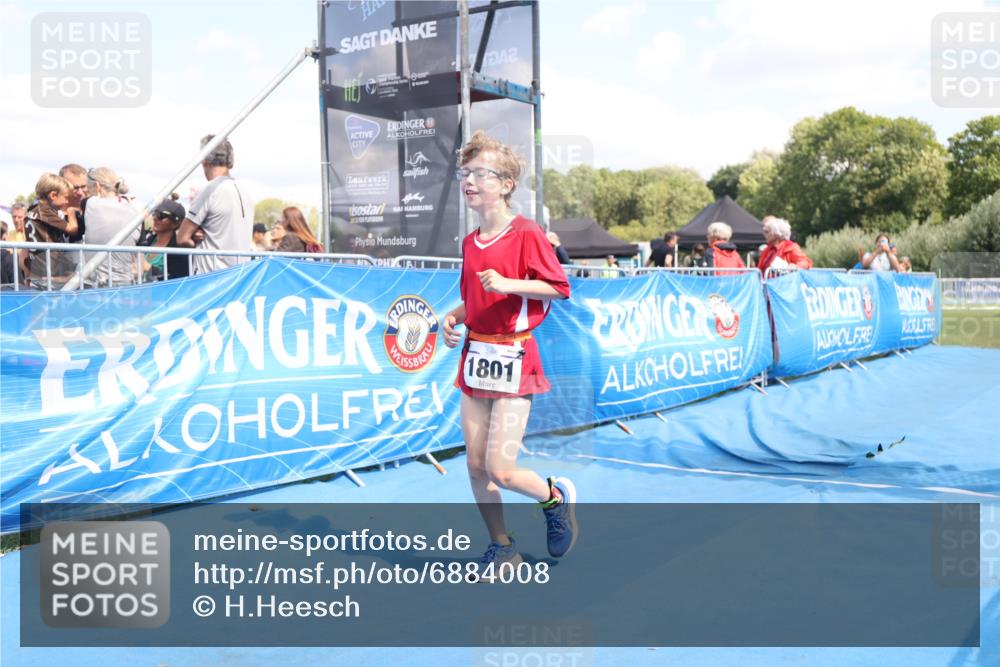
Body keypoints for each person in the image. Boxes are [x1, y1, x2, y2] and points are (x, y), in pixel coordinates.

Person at [441, 131, 576, 577]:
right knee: (476, 466)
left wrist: (510, 283)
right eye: (466, 173)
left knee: (501, 469)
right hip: (477, 358)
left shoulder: (527, 233)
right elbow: (480, 299)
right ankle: (503, 546)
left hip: (515, 360)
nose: (470, 181)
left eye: (481, 173)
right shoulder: (468, 242)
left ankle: (555, 498)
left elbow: (559, 287)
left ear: (504, 184)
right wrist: (454, 317)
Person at [177, 134, 254, 274]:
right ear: (231, 161)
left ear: (204, 160)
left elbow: (182, 238)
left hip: (212, 279)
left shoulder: (209, 190)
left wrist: (194, 238)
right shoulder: (246, 192)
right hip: (241, 277)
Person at [80, 167, 140, 286]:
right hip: (125, 283)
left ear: (97, 186)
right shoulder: (134, 210)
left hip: (95, 283)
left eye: (88, 188)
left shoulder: (89, 203)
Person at [21, 173, 80, 282]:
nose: (67, 201)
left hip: (36, 264)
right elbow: (72, 229)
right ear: (53, 195)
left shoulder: (32, 209)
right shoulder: (45, 210)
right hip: (49, 265)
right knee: (81, 276)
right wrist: (71, 212)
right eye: (66, 197)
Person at [140, 199, 190, 281]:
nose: (155, 218)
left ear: (176, 223)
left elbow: (178, 278)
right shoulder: (148, 240)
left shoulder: (178, 251)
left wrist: (148, 269)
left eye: (161, 216)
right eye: (155, 213)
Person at [58, 163, 88, 241]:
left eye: (83, 186)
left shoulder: (93, 211)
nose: (80, 192)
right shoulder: (51, 214)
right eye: (75, 188)